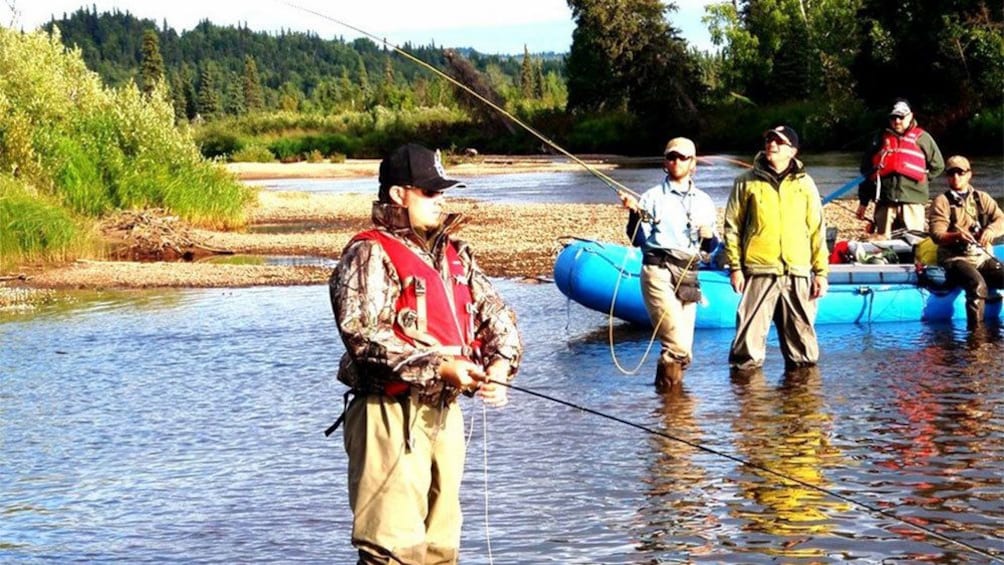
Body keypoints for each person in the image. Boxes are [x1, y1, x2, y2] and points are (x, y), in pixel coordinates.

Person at [328, 143, 523, 564]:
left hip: (444, 412)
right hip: (388, 412)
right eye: (430, 193)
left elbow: (497, 314)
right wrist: (440, 366)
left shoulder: (455, 254)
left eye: (443, 192)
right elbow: (363, 336)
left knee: (440, 548)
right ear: (399, 194)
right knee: (392, 550)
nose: (441, 201)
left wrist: (502, 365)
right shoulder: (368, 252)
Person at [723, 126, 829, 372]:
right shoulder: (745, 181)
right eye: (770, 139)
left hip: (798, 272)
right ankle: (749, 405)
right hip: (759, 269)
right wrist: (735, 268)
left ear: (792, 151)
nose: (772, 144)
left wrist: (821, 273)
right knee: (746, 352)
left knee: (803, 352)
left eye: (779, 142)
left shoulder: (806, 184)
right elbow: (732, 227)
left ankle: (801, 404)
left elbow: (817, 230)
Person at [620, 137, 718, 392]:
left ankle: (667, 403)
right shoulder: (651, 198)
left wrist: (710, 236)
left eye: (682, 157)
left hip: (688, 275)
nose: (676, 162)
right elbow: (636, 240)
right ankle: (672, 405)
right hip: (658, 271)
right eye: (671, 157)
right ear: (665, 162)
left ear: (693, 163)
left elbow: (709, 249)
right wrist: (633, 213)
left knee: (684, 352)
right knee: (677, 346)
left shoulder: (704, 201)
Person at [927, 155, 1004, 328]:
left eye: (960, 173)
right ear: (947, 176)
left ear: (969, 174)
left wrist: (991, 230)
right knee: (977, 285)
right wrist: (957, 236)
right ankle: (976, 336)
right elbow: (936, 234)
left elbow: (1001, 220)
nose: (956, 177)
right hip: (955, 259)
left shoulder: (982, 198)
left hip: (982, 258)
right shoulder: (942, 202)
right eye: (951, 173)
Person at [856, 98, 945, 238]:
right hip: (885, 202)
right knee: (883, 244)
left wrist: (923, 180)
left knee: (914, 243)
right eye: (893, 117)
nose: (897, 121)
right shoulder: (879, 139)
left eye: (901, 117)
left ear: (910, 116)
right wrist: (863, 202)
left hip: (912, 202)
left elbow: (938, 165)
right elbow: (867, 171)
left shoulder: (923, 138)